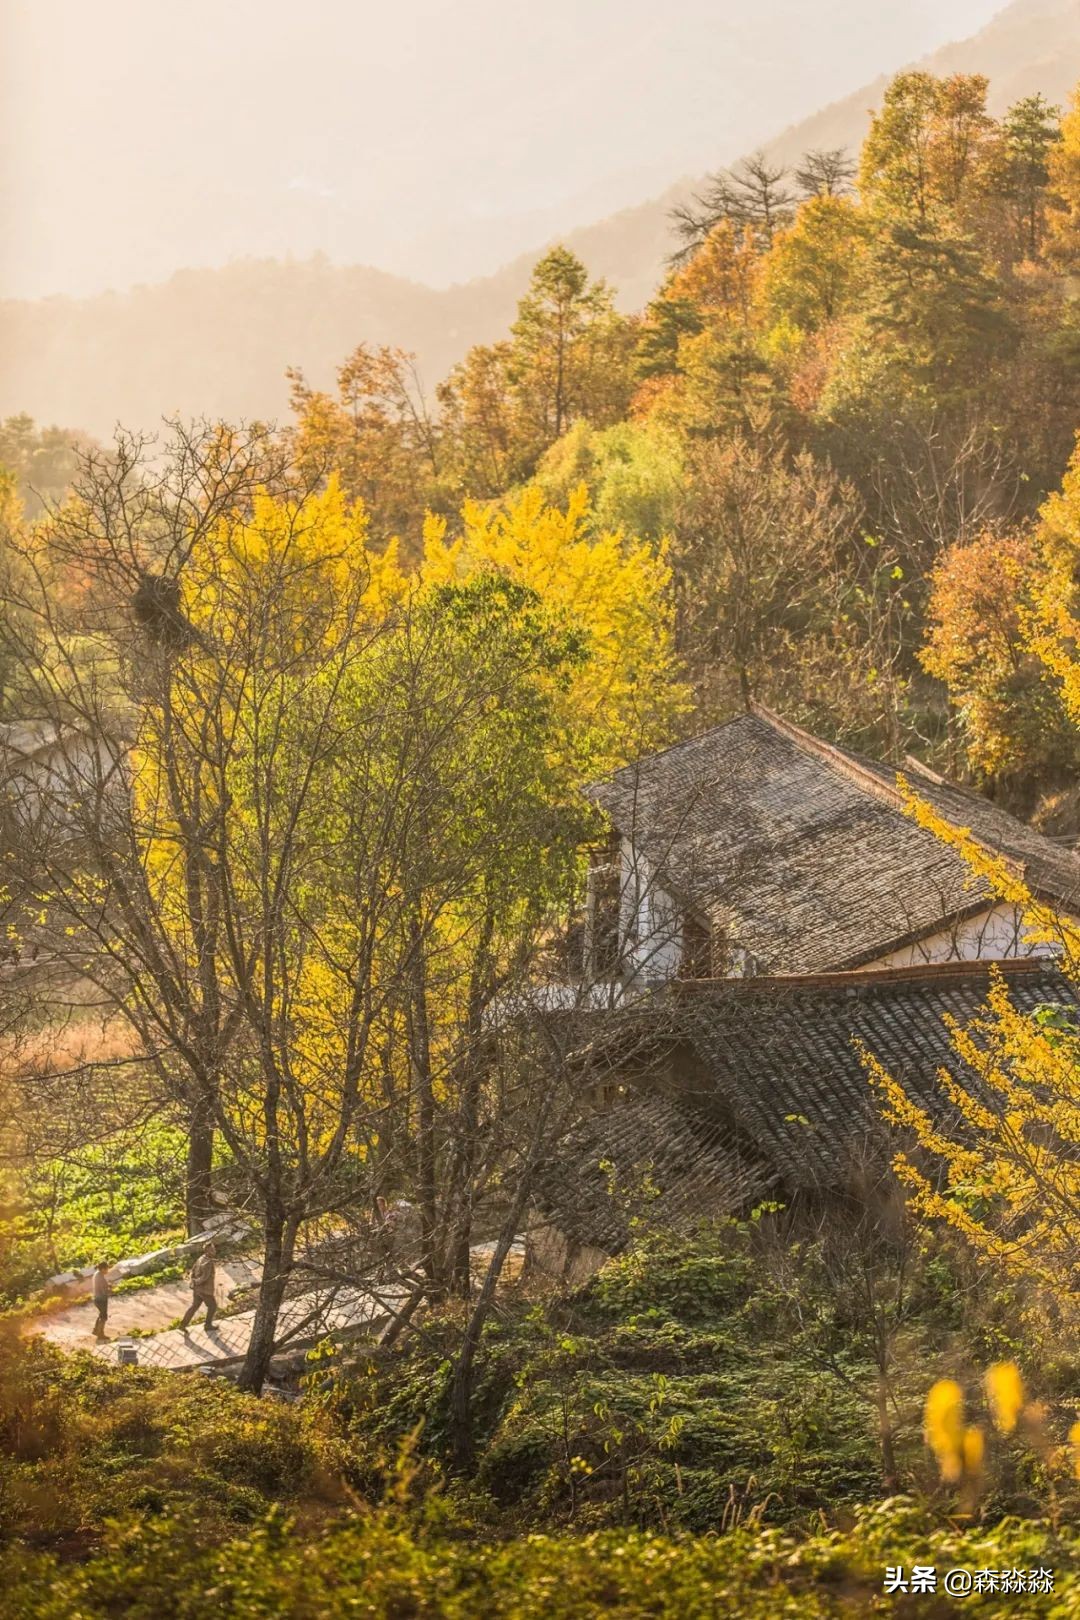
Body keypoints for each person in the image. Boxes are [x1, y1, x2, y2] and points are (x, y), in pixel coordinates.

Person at [180, 1241, 218, 1330]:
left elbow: (193, 1270)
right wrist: (196, 1282)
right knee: (212, 1306)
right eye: (212, 1249)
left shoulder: (201, 1258)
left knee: (194, 1306)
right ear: (208, 1251)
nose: (215, 1251)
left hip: (197, 1290)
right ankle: (208, 1325)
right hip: (205, 1290)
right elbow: (204, 1277)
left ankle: (183, 1325)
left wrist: (193, 1281)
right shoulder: (208, 1263)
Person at [91, 1261, 110, 1339]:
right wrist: (110, 1291)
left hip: (97, 1298)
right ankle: (100, 1334)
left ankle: (95, 1330)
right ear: (103, 1269)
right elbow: (103, 1289)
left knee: (101, 1314)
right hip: (101, 1298)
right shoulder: (100, 1277)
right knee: (103, 1316)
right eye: (106, 1269)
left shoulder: (97, 1274)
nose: (107, 1271)